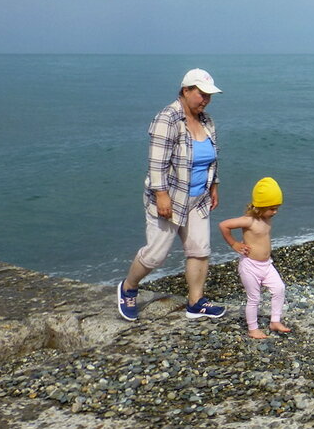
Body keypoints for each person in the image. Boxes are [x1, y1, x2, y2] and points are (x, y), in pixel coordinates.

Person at [117, 68, 227, 321]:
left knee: (200, 249)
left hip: (198, 198)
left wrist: (214, 186)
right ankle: (128, 287)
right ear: (186, 91)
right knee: (155, 255)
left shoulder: (206, 121)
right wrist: (161, 196)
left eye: (209, 95)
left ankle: (196, 302)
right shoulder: (167, 118)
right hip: (169, 197)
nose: (206, 100)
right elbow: (157, 163)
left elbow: (212, 158)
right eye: (201, 94)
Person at [218, 177, 291, 339]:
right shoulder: (248, 221)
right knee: (254, 298)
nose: (275, 212)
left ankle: (275, 321)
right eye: (272, 208)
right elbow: (224, 225)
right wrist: (234, 244)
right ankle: (253, 329)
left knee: (279, 288)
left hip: (267, 265)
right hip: (250, 266)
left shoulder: (267, 219)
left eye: (277, 208)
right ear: (260, 207)